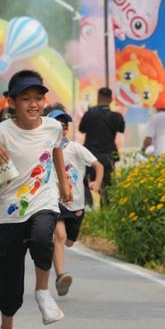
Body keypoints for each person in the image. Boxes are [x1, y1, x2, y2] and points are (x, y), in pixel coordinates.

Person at [0, 69, 72, 329]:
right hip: (9, 212)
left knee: (42, 237)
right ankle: (7, 328)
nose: (33, 104)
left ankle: (42, 292)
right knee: (10, 288)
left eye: (38, 98)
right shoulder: (0, 132)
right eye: (26, 98)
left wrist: (63, 182)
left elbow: (56, 148)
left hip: (43, 200)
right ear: (12, 102)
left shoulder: (53, 127)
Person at [47, 109, 103, 297]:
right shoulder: (44, 149)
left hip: (76, 204)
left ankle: (55, 254)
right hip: (55, 200)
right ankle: (61, 276)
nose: (62, 129)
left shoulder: (75, 148)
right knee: (60, 237)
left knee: (69, 242)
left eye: (64, 126)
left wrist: (96, 183)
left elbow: (98, 165)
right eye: (58, 126)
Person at [78, 87, 125, 205]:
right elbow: (121, 129)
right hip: (108, 156)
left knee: (85, 184)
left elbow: (81, 129)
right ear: (111, 99)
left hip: (90, 156)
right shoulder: (116, 116)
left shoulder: (89, 114)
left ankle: (88, 207)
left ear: (98, 98)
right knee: (107, 189)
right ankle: (106, 211)